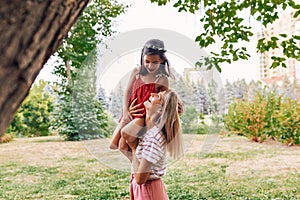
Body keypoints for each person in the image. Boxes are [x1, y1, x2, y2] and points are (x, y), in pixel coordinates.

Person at [109, 39, 173, 159]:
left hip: (144, 117)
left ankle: (140, 171)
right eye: (147, 61)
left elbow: (163, 100)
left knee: (126, 145)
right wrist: (126, 111)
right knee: (116, 145)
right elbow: (127, 92)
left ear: (162, 61)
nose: (150, 65)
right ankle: (138, 169)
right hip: (132, 112)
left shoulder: (162, 79)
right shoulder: (137, 72)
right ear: (142, 59)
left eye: (155, 62)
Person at [126, 89, 183, 200]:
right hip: (142, 188)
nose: (152, 93)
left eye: (157, 95)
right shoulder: (148, 129)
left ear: (160, 110)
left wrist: (133, 149)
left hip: (148, 189)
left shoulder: (154, 138)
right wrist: (129, 116)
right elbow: (122, 141)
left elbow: (140, 179)